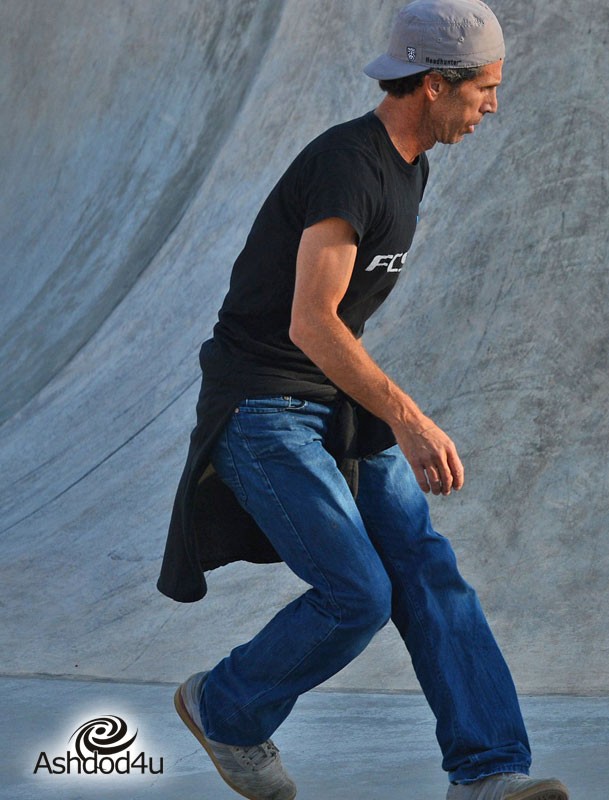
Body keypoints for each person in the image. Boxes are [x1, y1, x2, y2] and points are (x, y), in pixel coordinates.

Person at [156, 2, 569, 798]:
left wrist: (381, 416)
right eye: (484, 88)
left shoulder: (411, 166)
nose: (493, 105)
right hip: (262, 407)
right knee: (357, 594)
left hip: (333, 405)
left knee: (427, 568)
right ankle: (225, 706)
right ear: (434, 84)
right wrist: (407, 419)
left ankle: (488, 772)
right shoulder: (349, 164)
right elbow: (311, 322)